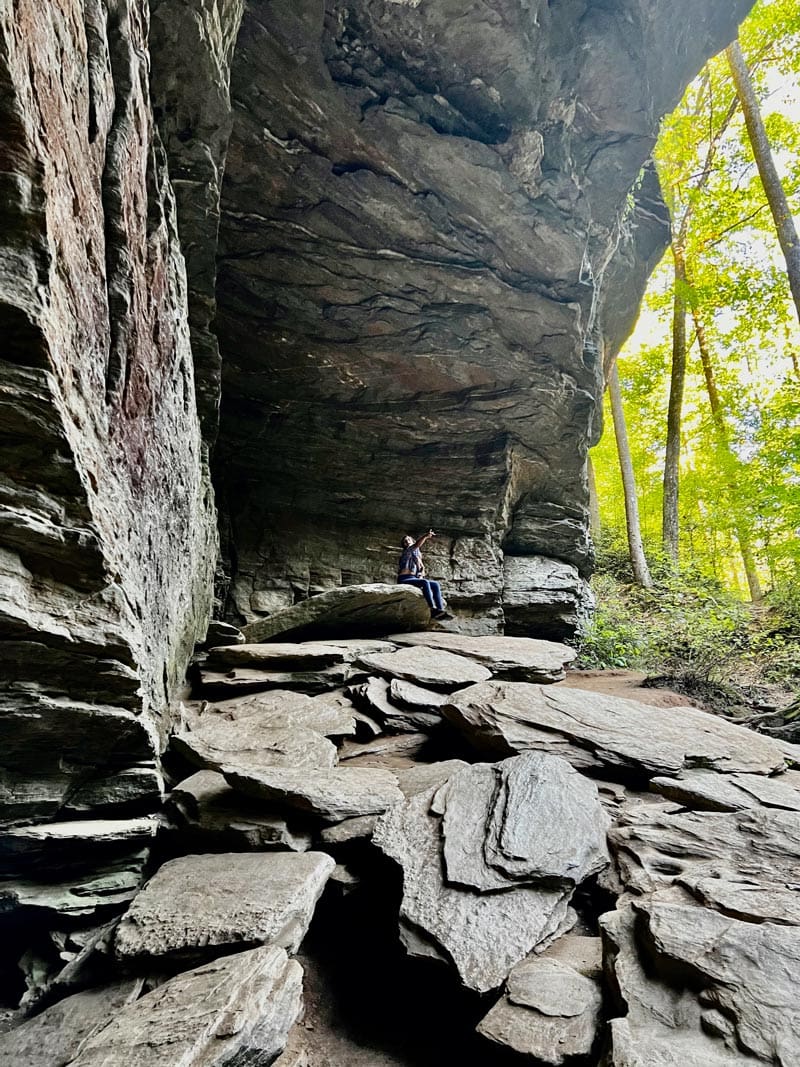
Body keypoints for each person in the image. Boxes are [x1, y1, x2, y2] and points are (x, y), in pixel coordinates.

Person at [397, 529, 453, 619]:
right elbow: (416, 545)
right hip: (404, 578)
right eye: (405, 541)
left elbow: (422, 569)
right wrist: (426, 536)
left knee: (435, 584)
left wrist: (420, 573)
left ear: (412, 541)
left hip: (413, 578)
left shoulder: (417, 555)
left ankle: (440, 610)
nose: (406, 542)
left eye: (408, 540)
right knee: (425, 582)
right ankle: (432, 608)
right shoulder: (407, 551)